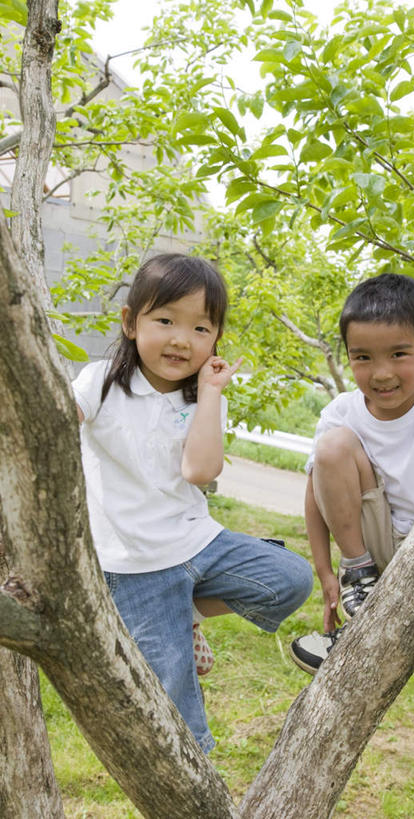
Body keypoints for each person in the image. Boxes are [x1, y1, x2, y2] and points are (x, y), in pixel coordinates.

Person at [72, 253, 313, 752]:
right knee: (176, 701)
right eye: (165, 321)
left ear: (215, 338)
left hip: (197, 541)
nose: (182, 340)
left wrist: (210, 394)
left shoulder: (202, 397)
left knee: (290, 578)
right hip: (135, 562)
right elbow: (51, 419)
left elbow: (199, 472)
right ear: (130, 322)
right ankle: (197, 775)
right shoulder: (101, 382)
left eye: (201, 328)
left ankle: (190, 614)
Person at [290, 273, 414, 675]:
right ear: (347, 356)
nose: (381, 374)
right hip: (369, 544)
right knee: (333, 446)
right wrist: (327, 574)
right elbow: (315, 493)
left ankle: (351, 642)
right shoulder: (342, 412)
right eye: (363, 358)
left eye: (398, 354)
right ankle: (359, 577)